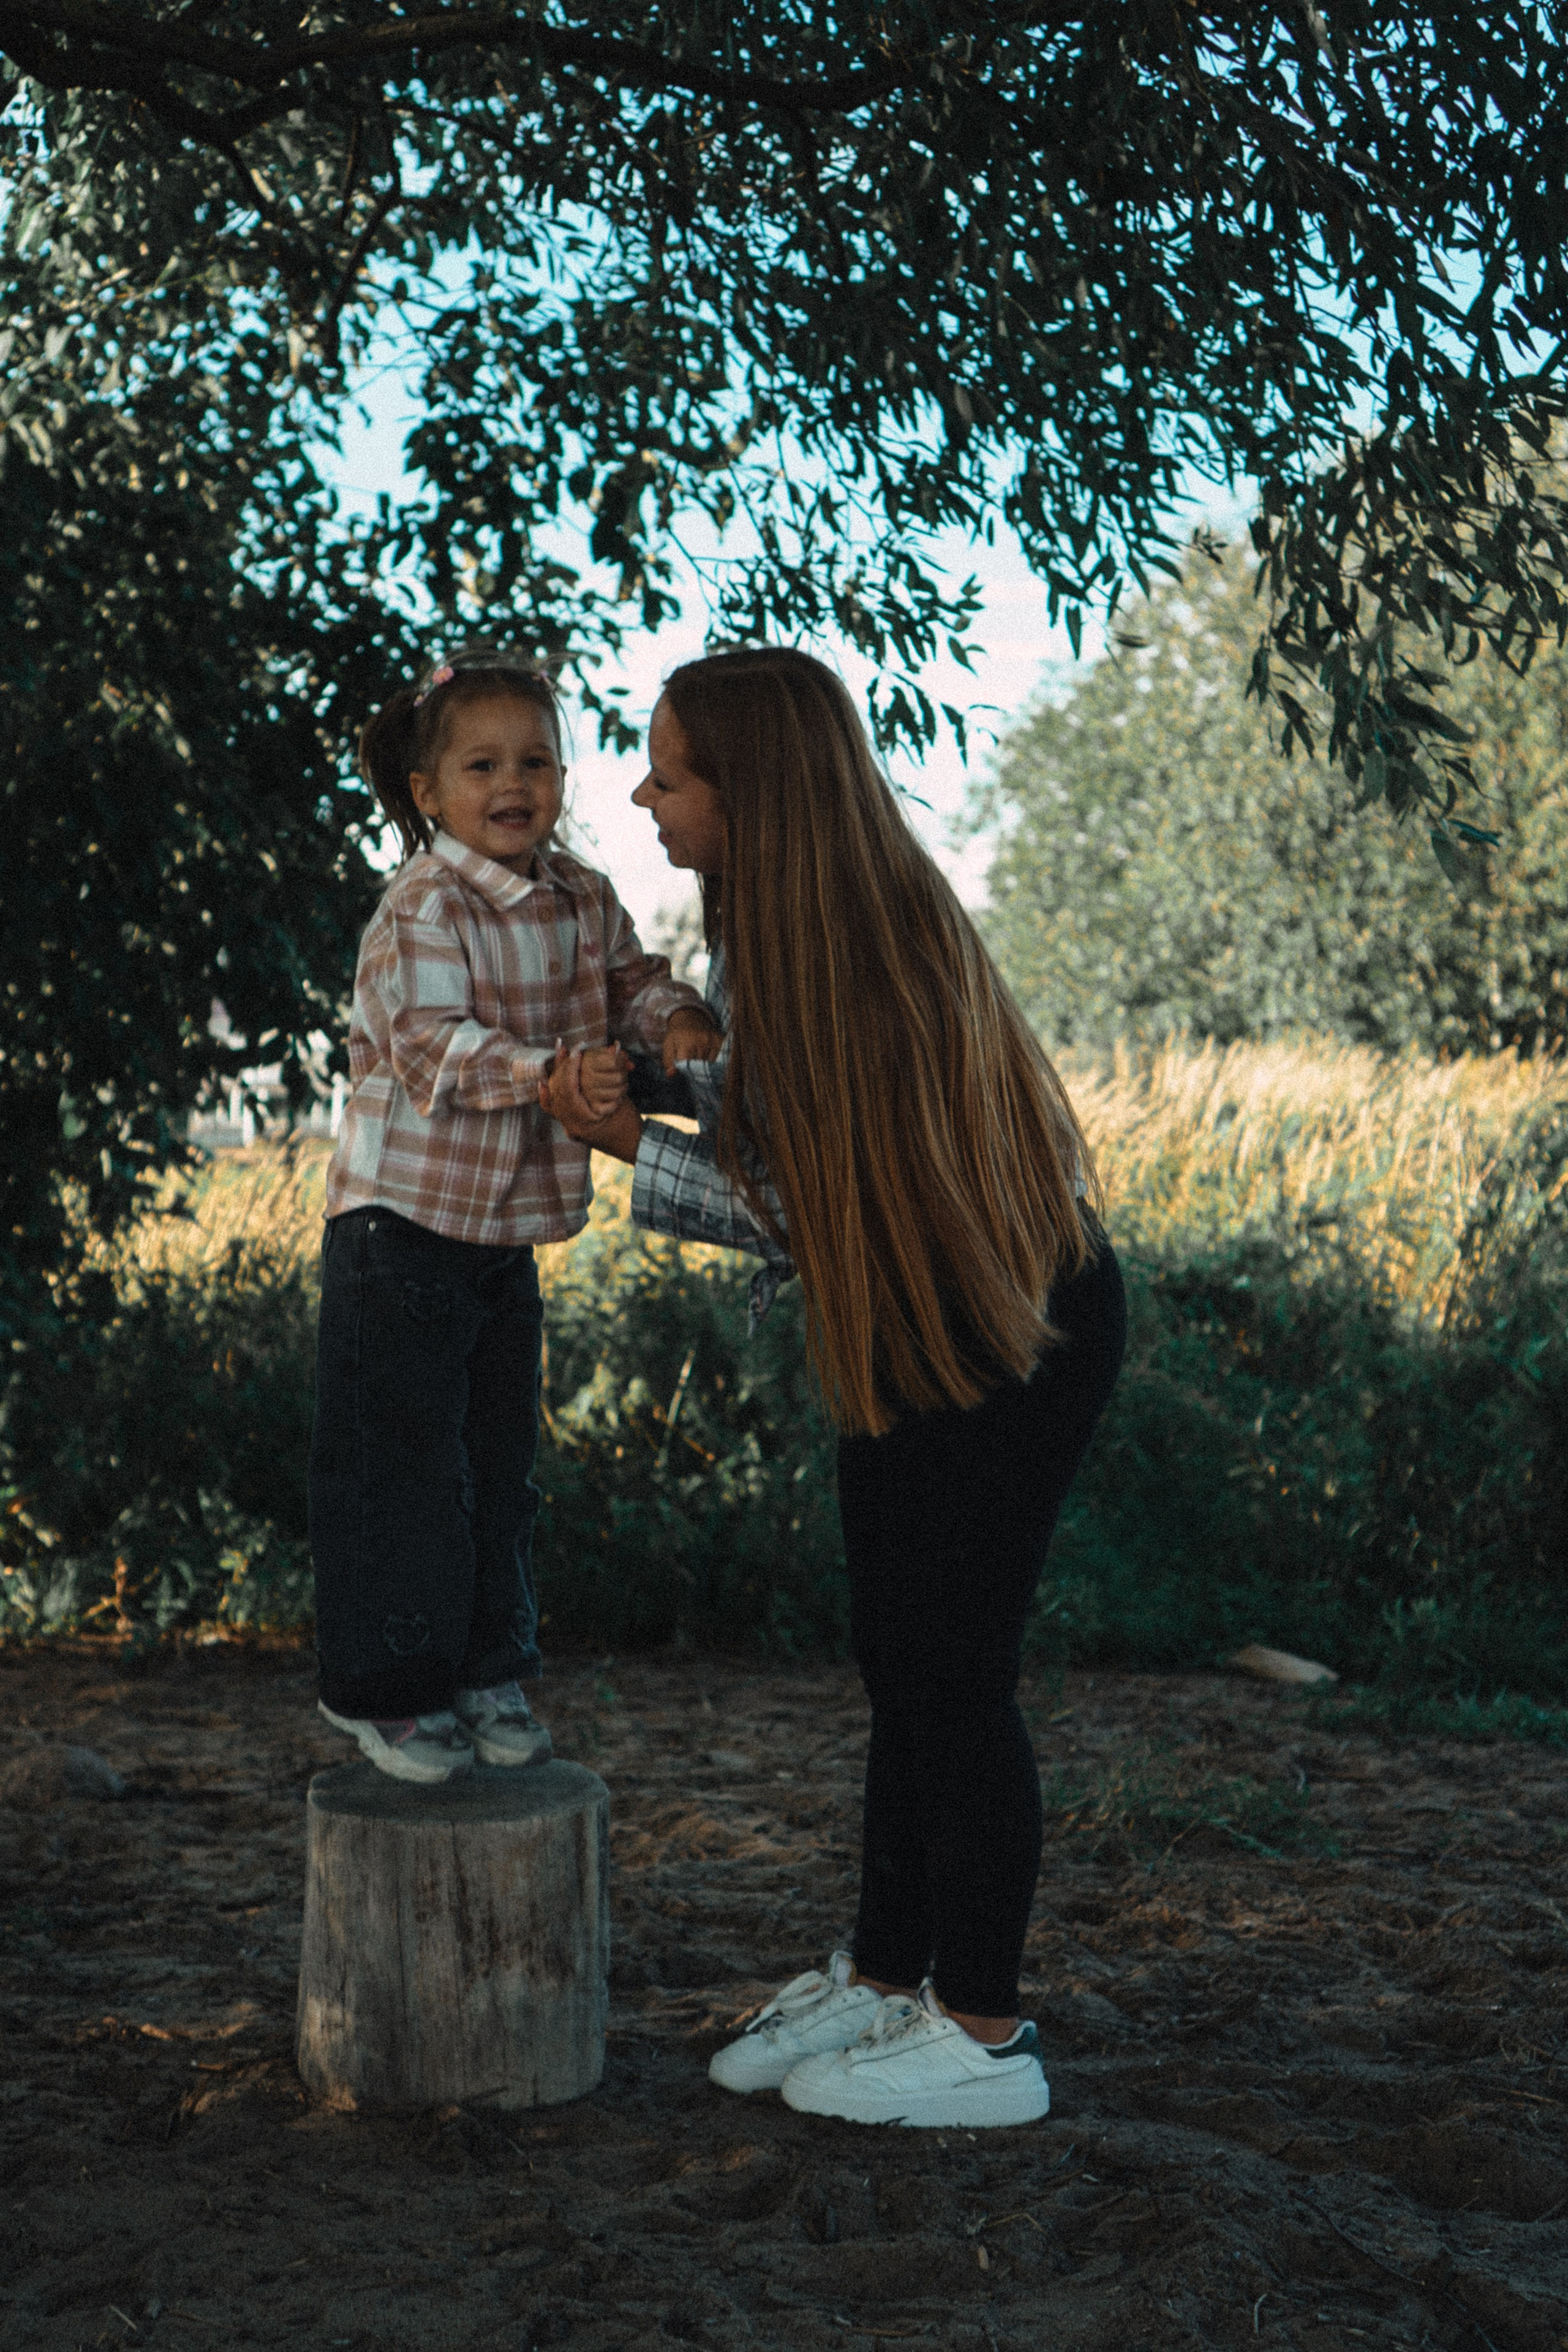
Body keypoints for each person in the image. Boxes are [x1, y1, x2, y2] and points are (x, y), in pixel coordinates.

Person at [541, 646, 1126, 2128]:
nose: (641, 796)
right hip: (914, 1323)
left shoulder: (855, 948)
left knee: (952, 1669)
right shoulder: (785, 931)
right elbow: (785, 1129)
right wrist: (661, 1082)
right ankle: (883, 1977)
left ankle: (981, 2033)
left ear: (750, 792)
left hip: (1010, 1327)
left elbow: (797, 1207)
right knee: (897, 1656)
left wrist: (625, 1145)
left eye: (668, 773)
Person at [310, 647, 718, 1784]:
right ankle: (385, 1691)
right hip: (398, 1230)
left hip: (499, 1237)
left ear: (562, 778)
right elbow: (431, 1043)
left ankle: (487, 1668)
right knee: (399, 1466)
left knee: (496, 1464)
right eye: (482, 765)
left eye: (536, 761)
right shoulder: (424, 903)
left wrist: (677, 1020)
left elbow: (633, 983)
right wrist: (550, 1074)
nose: (513, 784)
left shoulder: (580, 894)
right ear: (429, 792)